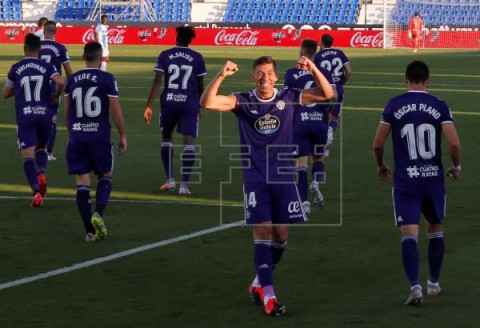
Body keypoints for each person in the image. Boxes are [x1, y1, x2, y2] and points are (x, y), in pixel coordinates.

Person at [200, 56, 334, 316]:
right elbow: (207, 102)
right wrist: (221, 74)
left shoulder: (290, 96)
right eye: (259, 74)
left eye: (269, 73)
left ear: (276, 76)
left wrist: (314, 68)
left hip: (284, 178)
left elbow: (327, 93)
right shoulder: (243, 101)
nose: (264, 78)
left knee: (281, 236)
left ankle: (258, 283)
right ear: (253, 77)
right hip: (256, 179)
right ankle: (270, 298)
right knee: (262, 232)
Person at [373, 60, 461, 306]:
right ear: (428, 79)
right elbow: (454, 144)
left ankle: (415, 287)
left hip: (406, 181)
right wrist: (456, 166)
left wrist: (380, 165)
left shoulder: (394, 104)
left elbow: (378, 143)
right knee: (434, 228)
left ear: (405, 79)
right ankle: (433, 282)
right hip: (433, 180)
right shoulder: (440, 105)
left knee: (409, 234)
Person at [64, 41, 127, 242]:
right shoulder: (107, 78)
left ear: (83, 57)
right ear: (100, 59)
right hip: (99, 136)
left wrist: (71, 132)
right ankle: (98, 213)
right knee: (105, 175)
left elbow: (67, 111)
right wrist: (123, 134)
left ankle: (89, 231)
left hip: (77, 136)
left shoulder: (72, 79)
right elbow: (115, 109)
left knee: (82, 182)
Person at [2, 33, 64, 207]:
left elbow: (5, 93)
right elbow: (60, 82)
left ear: (24, 48)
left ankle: (37, 191)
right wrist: (55, 96)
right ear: (39, 49)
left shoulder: (16, 68)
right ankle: (42, 172)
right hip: (45, 115)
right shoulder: (47, 66)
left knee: (27, 156)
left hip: (26, 115)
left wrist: (20, 88)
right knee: (41, 148)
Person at [143, 26, 206, 195]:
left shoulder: (165, 54)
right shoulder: (197, 57)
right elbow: (200, 86)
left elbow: (157, 80)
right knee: (189, 141)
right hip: (190, 103)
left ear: (176, 37)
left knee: (167, 138)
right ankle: (184, 186)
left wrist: (148, 105)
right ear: (190, 40)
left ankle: (170, 180)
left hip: (169, 102)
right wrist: (200, 106)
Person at [284, 38, 337, 212]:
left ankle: (304, 202)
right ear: (316, 53)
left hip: (300, 122)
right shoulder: (323, 73)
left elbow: (288, 100)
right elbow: (332, 96)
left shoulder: (291, 74)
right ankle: (315, 182)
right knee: (319, 158)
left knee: (301, 164)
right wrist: (328, 118)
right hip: (319, 122)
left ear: (301, 52)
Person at [39, 20, 73, 161]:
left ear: (44, 31)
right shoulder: (60, 48)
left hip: (37, 87)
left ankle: (35, 149)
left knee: (38, 116)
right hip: (54, 88)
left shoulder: (36, 47)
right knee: (52, 119)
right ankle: (47, 151)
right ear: (55, 32)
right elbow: (68, 71)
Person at [314, 33, 351, 157]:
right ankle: (327, 143)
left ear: (322, 42)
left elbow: (314, 73)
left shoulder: (318, 56)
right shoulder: (340, 53)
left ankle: (321, 145)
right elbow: (349, 70)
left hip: (324, 89)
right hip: (338, 88)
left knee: (323, 116)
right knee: (334, 117)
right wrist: (342, 82)